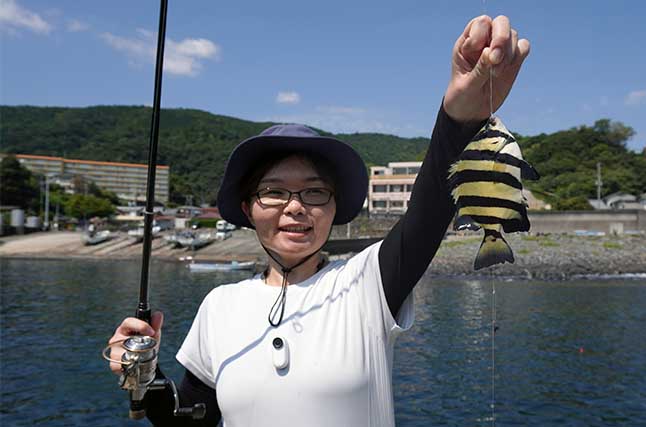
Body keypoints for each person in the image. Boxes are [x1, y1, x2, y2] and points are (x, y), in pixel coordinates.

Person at [108, 14, 529, 427]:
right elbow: (190, 418)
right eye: (273, 192)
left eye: (314, 192)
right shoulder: (220, 306)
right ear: (249, 207)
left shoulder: (368, 282)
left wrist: (459, 118)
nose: (295, 207)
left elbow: (431, 207)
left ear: (333, 206)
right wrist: (144, 377)